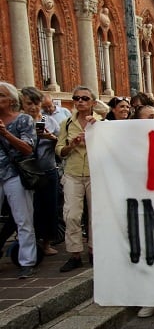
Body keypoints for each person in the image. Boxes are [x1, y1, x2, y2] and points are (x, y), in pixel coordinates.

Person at [56, 86, 100, 273]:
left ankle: (93, 250)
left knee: (95, 215)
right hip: (73, 172)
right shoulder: (66, 123)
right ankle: (74, 254)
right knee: (72, 215)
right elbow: (59, 150)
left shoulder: (100, 122)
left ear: (92, 102)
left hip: (95, 173)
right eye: (76, 98)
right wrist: (71, 145)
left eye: (84, 98)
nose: (80, 101)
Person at [0, 82, 38, 278]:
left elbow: (28, 148)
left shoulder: (23, 120)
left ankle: (27, 261)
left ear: (11, 100)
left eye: (1, 96)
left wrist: (5, 133)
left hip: (15, 173)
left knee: (23, 219)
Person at [20, 86, 59, 257]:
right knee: (30, 210)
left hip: (48, 170)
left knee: (50, 208)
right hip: (26, 172)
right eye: (29, 103)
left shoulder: (47, 120)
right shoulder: (20, 121)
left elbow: (61, 145)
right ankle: (31, 243)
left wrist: (51, 138)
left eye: (36, 103)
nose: (33, 107)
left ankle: (47, 242)